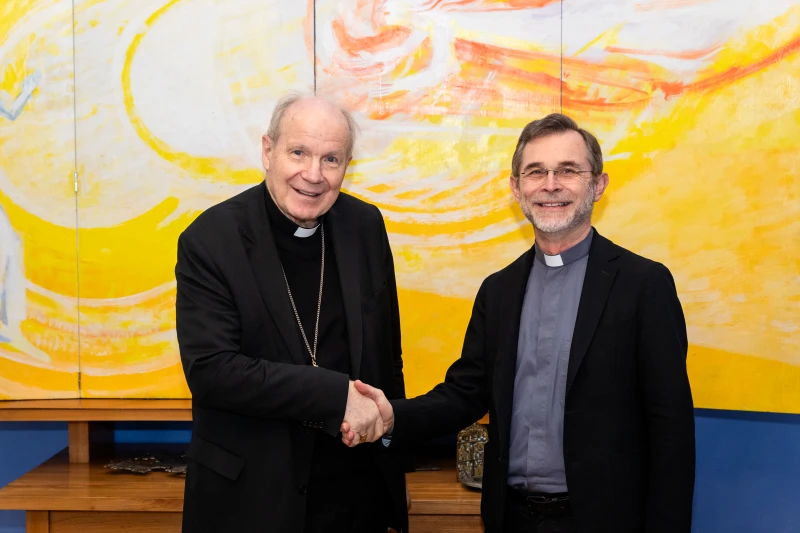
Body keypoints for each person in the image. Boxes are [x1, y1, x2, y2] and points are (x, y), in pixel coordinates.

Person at [343, 113, 696, 533]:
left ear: (598, 185)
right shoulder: (499, 291)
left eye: (568, 170)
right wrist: (391, 416)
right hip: (510, 518)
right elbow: (464, 394)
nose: (550, 184)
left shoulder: (644, 285)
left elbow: (671, 430)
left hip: (606, 520)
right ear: (516, 189)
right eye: (535, 172)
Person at [176, 94, 408, 533]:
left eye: (331, 159)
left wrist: (391, 456)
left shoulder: (365, 226)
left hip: (353, 497)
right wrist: (335, 392)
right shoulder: (211, 240)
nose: (313, 175)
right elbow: (212, 371)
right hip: (250, 501)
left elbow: (385, 357)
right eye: (298, 153)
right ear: (268, 151)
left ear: (347, 165)